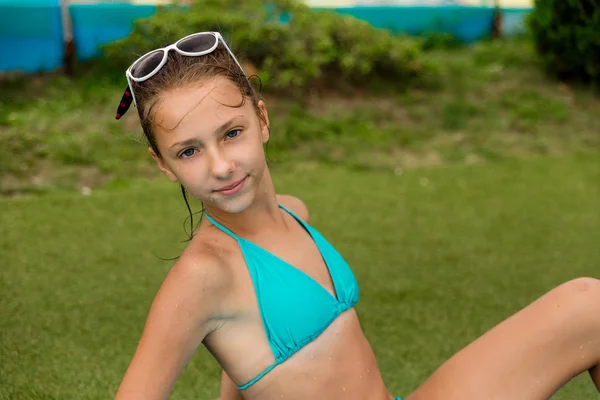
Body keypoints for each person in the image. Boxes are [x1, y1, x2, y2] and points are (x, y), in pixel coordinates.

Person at [113, 31, 600, 400]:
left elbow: (240, 360)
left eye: (231, 133)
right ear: (163, 164)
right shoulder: (201, 276)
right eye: (189, 151)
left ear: (261, 120)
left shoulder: (292, 212)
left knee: (589, 304)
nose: (220, 166)